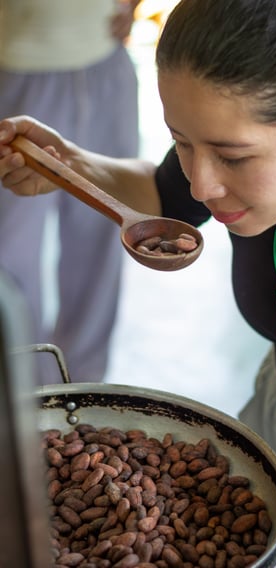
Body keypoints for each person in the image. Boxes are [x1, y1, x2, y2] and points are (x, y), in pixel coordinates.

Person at [0, 0, 276, 564]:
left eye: (232, 157)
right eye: (182, 141)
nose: (202, 185)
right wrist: (69, 164)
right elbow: (163, 194)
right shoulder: (233, 159)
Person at [0, 0, 141, 384]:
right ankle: (24, 394)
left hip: (105, 63)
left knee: (104, 235)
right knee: (9, 257)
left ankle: (84, 391)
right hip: (15, 71)